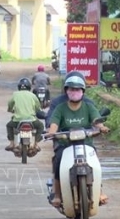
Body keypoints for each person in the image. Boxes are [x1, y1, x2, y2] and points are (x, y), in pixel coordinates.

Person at [45, 74, 110, 207]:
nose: (74, 92)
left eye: (77, 90)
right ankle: (57, 194)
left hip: (86, 143)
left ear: (83, 91)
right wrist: (51, 132)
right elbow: (54, 123)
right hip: (65, 143)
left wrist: (102, 127)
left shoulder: (89, 106)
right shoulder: (60, 107)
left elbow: (96, 120)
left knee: (95, 163)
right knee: (58, 160)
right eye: (71, 89)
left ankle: (99, 191)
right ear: (66, 91)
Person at [5, 78, 44, 153]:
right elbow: (38, 107)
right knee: (41, 126)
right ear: (29, 87)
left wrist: (10, 110)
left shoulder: (15, 94)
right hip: (32, 120)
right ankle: (36, 144)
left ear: (19, 87)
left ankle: (12, 143)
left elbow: (10, 104)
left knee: (9, 125)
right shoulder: (33, 95)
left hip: (17, 120)